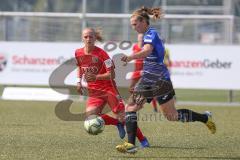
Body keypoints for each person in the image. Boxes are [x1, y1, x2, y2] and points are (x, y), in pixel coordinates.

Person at [116, 6, 216, 154]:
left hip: (160, 80)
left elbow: (147, 51)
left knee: (172, 116)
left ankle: (204, 118)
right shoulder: (146, 35)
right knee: (130, 106)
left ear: (143, 21)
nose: (134, 27)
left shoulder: (151, 33)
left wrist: (130, 57)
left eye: (135, 24)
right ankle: (131, 144)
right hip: (149, 79)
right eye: (132, 25)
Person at [75, 27, 149, 147]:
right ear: (82, 38)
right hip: (94, 92)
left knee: (124, 117)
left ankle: (142, 139)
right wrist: (78, 81)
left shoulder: (102, 54)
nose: (88, 39)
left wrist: (95, 77)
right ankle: (117, 124)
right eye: (86, 37)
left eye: (91, 36)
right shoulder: (78, 52)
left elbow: (112, 74)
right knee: (91, 116)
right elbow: (79, 67)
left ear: (95, 38)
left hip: (109, 89)